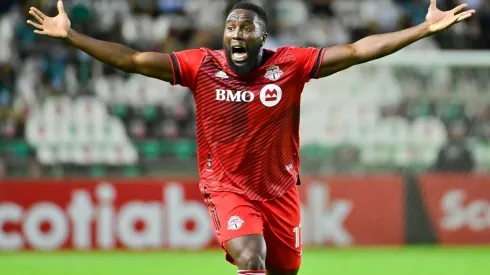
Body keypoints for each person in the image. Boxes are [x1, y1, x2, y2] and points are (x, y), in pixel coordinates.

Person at [27, 1, 475, 274]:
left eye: (246, 30)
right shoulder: (201, 65)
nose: (236, 36)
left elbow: (358, 51)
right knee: (250, 255)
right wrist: (71, 36)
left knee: (284, 268)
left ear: (263, 38)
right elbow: (133, 59)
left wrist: (422, 29)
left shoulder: (291, 63)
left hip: (279, 192)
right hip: (226, 188)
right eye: (231, 29)